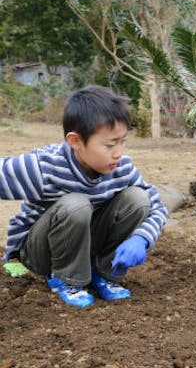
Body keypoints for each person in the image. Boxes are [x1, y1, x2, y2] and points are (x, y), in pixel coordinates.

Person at [0, 85, 168, 307]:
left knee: (137, 199)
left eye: (122, 141)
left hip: (82, 246)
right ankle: (66, 279)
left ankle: (104, 274)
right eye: (110, 144)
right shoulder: (46, 167)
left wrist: (142, 238)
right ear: (76, 141)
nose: (118, 152)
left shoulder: (122, 168)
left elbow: (157, 207)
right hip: (40, 254)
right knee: (76, 203)